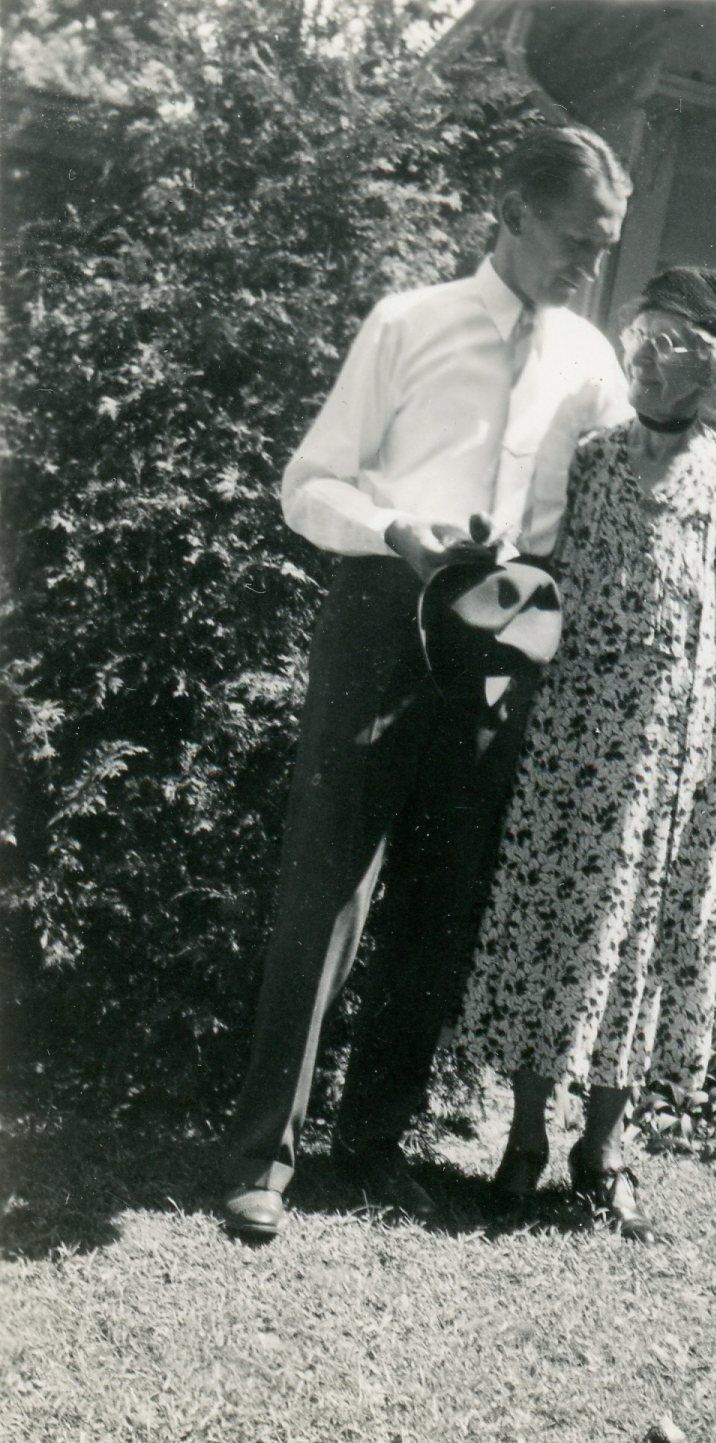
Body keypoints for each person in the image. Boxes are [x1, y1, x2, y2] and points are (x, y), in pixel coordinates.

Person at [220, 124, 636, 1237]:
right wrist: (396, 529)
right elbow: (307, 485)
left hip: (512, 631)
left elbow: (618, 510)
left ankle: (371, 1145)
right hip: (385, 612)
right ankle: (263, 1156)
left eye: (605, 245)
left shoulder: (592, 363)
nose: (589, 262)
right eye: (577, 238)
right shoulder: (410, 322)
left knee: (444, 896)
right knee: (328, 885)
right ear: (513, 209)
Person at [453, 265, 716, 1244]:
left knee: (640, 939)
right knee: (554, 919)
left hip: (671, 751)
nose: (647, 359)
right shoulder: (590, 459)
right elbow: (539, 576)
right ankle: (524, 1141)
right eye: (642, 338)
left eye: (673, 345)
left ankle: (603, 1151)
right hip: (572, 734)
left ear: (713, 368)